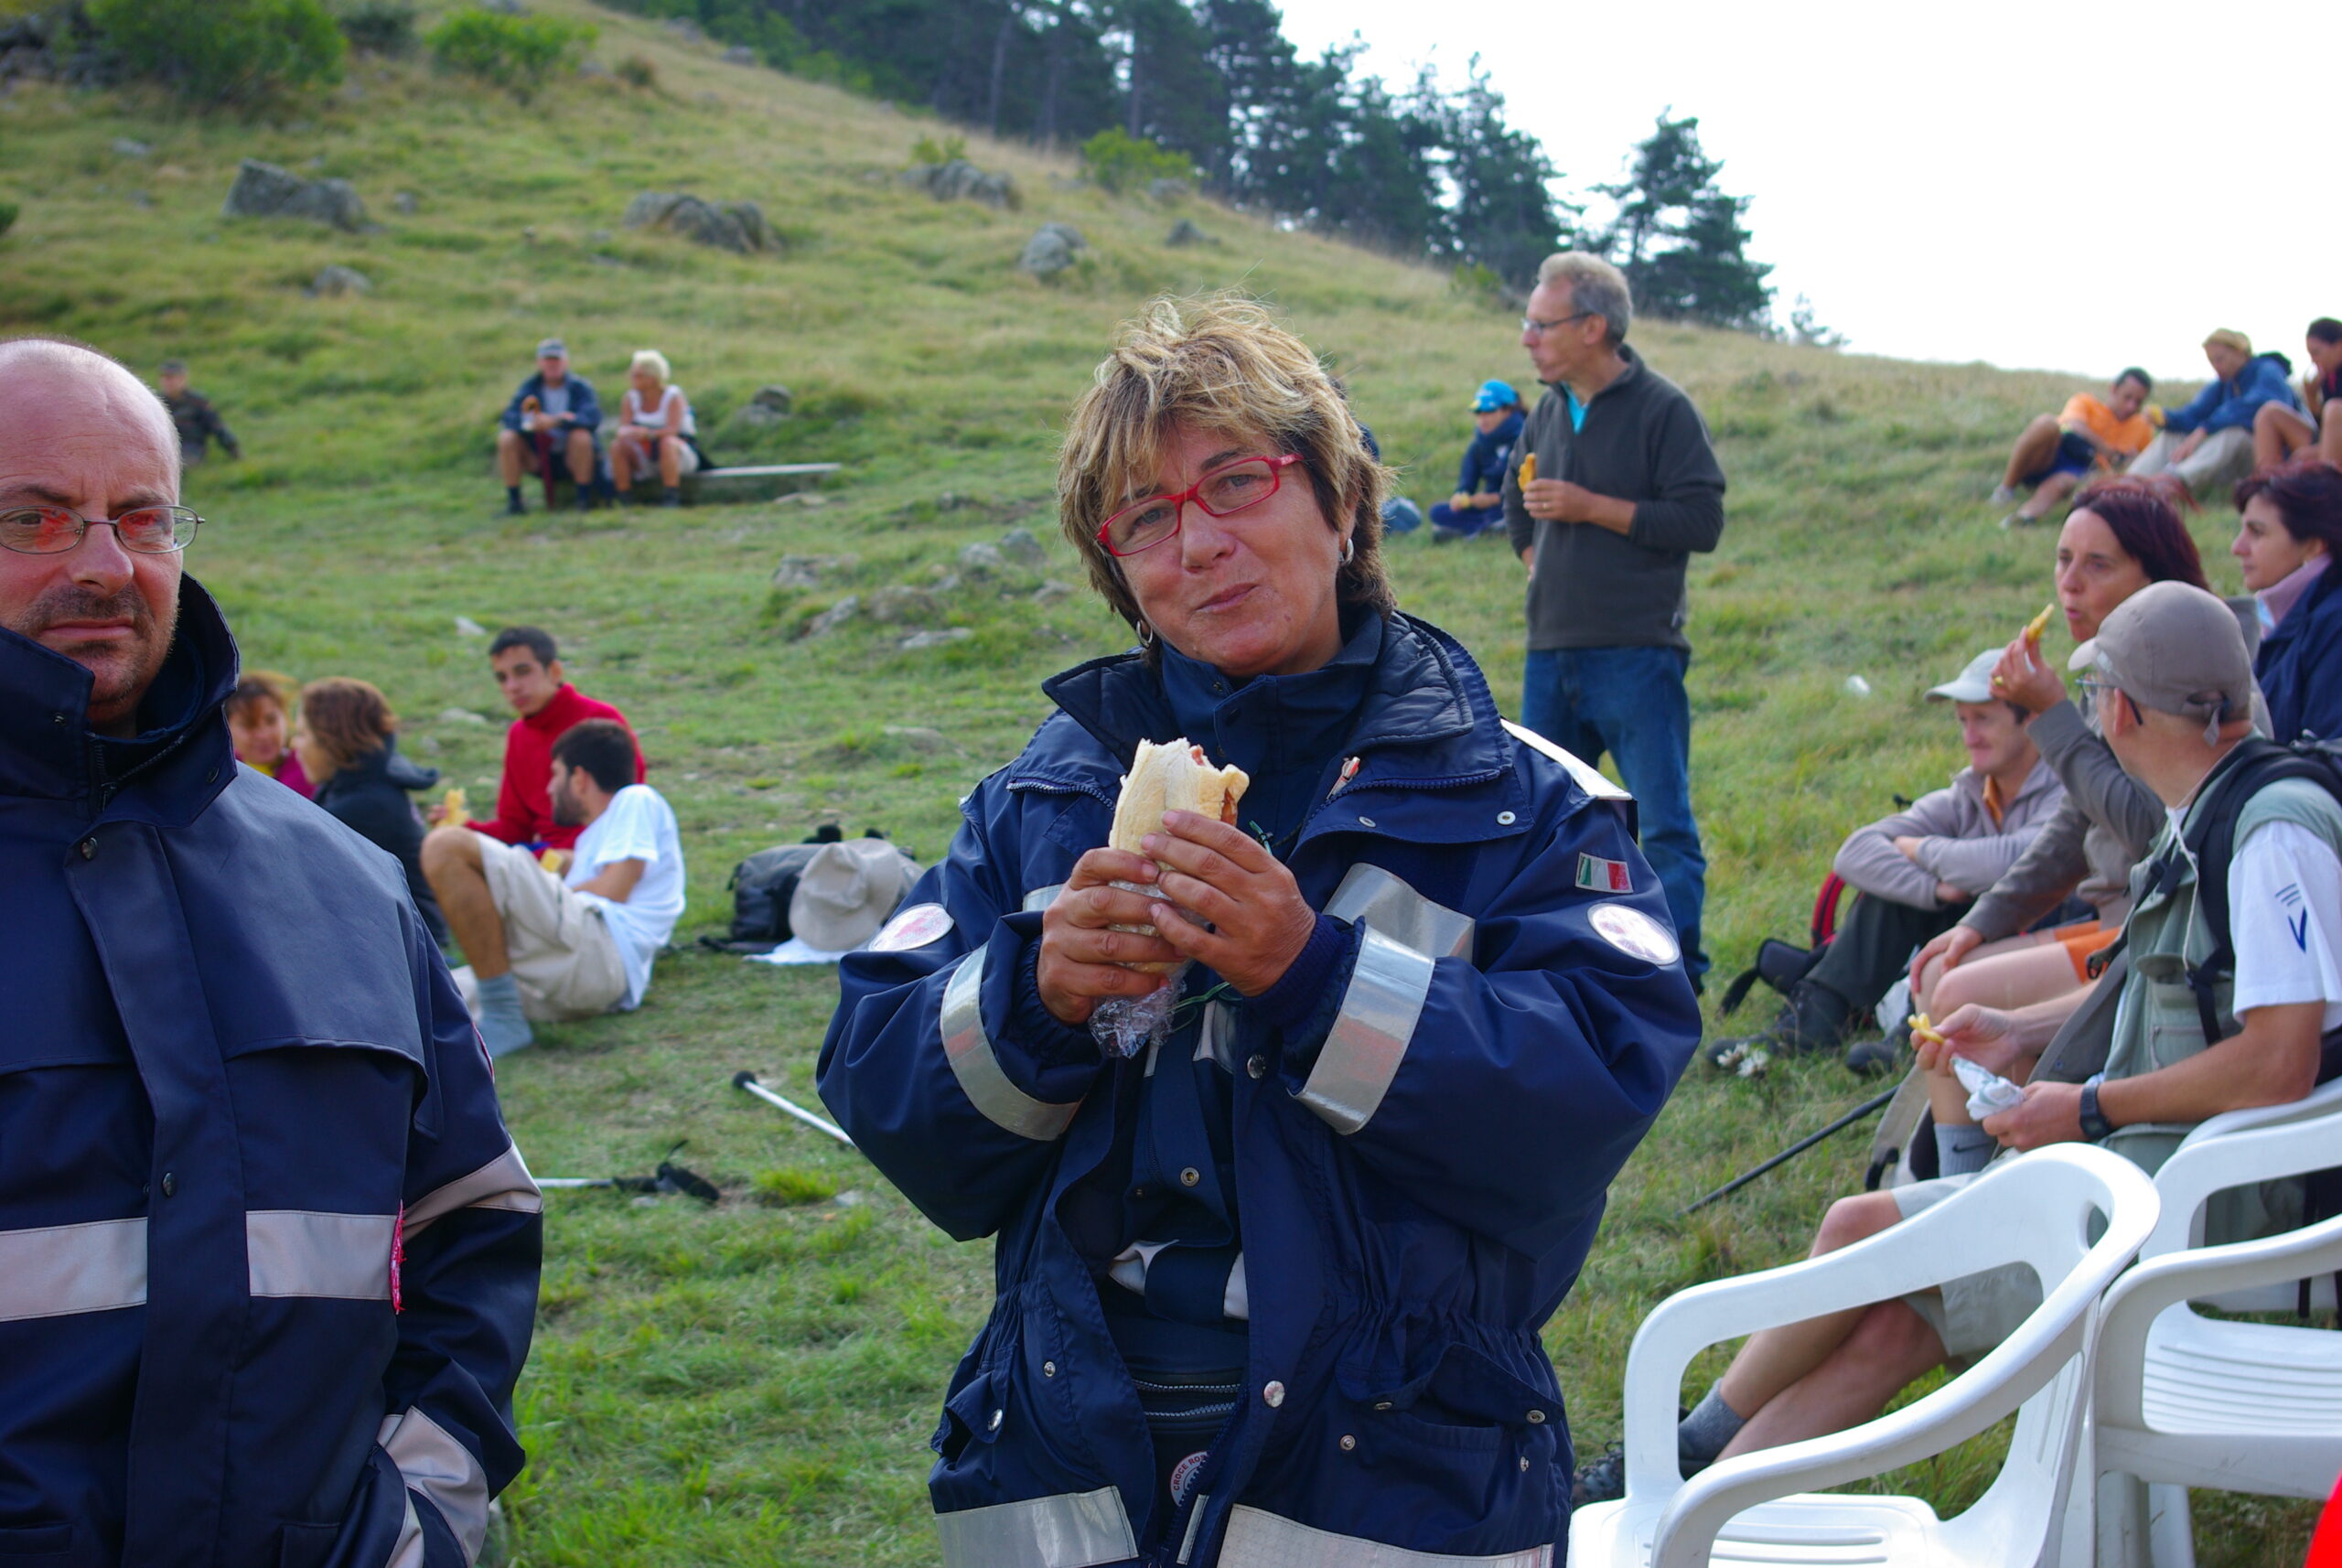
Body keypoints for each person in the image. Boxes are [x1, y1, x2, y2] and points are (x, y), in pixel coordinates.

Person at [819, 296, 1701, 1566]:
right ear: (1118, 571)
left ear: (1341, 503)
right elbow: (883, 1088)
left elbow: (1591, 1099)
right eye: (1145, 520)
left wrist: (1313, 975)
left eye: (1237, 482)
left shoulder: (1526, 803)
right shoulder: (1042, 801)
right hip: (1068, 1465)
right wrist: (1032, 997)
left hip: (1396, 1478)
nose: (1199, 544)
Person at [1589, 582, 2342, 1484]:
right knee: (1897, 1318)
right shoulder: (2220, 810)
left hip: (2198, 1201)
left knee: (1860, 1225)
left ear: (2124, 709)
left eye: (2096, 695)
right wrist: (2014, 1027)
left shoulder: (2268, 839)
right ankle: (1689, 1499)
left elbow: (2278, 1058)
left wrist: (2088, 1107)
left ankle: (1682, 1457)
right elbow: (2172, 994)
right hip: (2160, 1171)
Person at [0, 334, 540, 1563]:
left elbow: (476, 1215)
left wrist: (424, 1519)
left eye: (141, 518)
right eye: (34, 517)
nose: (103, 563)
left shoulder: (344, 883)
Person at [1907, 481, 2214, 1027]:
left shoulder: (2186, 675)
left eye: (2098, 566)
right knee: (1939, 972)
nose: (2069, 585)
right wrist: (1982, 921)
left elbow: (2157, 835)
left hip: (2163, 934)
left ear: (2153, 579)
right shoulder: (2104, 668)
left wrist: (2051, 718)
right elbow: (2077, 823)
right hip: (2114, 920)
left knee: (1959, 995)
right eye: (2063, 560)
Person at [1504, 250, 1727, 985]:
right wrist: (1539, 562)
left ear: (1594, 326)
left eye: (1543, 323)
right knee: (1546, 827)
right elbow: (1516, 492)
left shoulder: (1665, 409)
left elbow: (1701, 518)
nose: (1528, 337)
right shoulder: (1544, 408)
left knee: (1662, 829)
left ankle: (1677, 978)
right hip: (1551, 652)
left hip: (1637, 654)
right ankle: (1562, 968)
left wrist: (1588, 510)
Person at [1706, 648, 2064, 1070]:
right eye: (1962, 721)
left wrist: (1921, 850)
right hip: (1981, 948)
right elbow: (1854, 853)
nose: (1970, 736)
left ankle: (1913, 1035)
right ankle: (1813, 1023)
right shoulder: (1967, 794)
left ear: (2032, 721)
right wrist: (1933, 888)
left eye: (1983, 719)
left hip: (2047, 950)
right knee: (1894, 890)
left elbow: (2018, 861)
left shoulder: (2066, 789)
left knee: (1987, 902)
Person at [423, 718, 684, 1057]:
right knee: (426, 997)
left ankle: (503, 1016)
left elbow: (614, 888)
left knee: (445, 846)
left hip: (600, 954)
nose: (548, 789)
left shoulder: (636, 799)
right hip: (576, 980)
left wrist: (525, 896)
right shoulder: (595, 838)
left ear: (579, 778)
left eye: (555, 774)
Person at [445, 624, 642, 853]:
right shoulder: (518, 734)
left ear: (555, 671)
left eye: (523, 672)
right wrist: (463, 828)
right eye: (502, 678)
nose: (512, 687)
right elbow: (516, 828)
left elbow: (627, 810)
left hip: (594, 854)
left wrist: (544, 860)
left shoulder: (601, 720)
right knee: (445, 845)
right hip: (541, 857)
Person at [296, 675, 449, 942]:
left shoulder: (366, 806)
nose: (293, 746)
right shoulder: (365, 781)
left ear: (331, 739)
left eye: (302, 734)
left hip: (412, 950)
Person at [2233, 457, 2342, 744]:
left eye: (2257, 532)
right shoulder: (2288, 612)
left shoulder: (2334, 624)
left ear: (2313, 545)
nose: (2237, 547)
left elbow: (2326, 755)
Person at [2130, 329, 2304, 499]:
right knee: (2173, 435)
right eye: (2212, 361)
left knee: (2236, 433)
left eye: (2220, 359)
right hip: (2230, 463)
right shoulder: (2225, 383)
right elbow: (2195, 414)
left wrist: (2205, 429)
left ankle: (2173, 483)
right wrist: (2166, 417)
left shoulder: (2268, 371)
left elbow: (2261, 405)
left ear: (2240, 353)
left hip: (2270, 460)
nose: (2216, 366)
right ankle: (2128, 483)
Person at [1989, 367, 2156, 527]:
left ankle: (2024, 517)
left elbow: (2145, 464)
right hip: (2055, 451)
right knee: (2046, 424)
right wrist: (2106, 450)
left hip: (2084, 469)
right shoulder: (2085, 402)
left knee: (2062, 482)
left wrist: (2127, 461)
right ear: (2113, 389)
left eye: (2138, 402)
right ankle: (2005, 489)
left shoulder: (2142, 427)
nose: (2131, 407)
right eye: (2127, 398)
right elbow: (2073, 424)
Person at [497, 336, 604, 516]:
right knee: (507, 438)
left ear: (565, 362)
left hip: (572, 455)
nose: (552, 365)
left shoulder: (580, 388)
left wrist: (559, 421)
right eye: (547, 360)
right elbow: (509, 417)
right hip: (538, 454)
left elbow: (592, 417)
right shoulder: (529, 388)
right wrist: (530, 424)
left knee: (581, 436)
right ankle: (515, 502)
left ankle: (583, 500)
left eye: (556, 360)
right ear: (539, 363)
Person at [1429, 378, 1526, 542]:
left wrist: (1495, 499)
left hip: (1516, 504)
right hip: (1485, 507)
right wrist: (1461, 496)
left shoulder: (1524, 440)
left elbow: (1527, 487)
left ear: (1507, 411)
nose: (1483, 418)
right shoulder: (1479, 446)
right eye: (1479, 413)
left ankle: (1477, 528)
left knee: (1515, 512)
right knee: (1437, 511)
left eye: (1489, 412)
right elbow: (1467, 481)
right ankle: (1487, 528)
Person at [609, 349, 700, 506]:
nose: (632, 379)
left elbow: (674, 430)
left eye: (637, 375)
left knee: (667, 442)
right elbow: (623, 428)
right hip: (645, 454)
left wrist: (649, 434)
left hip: (678, 454)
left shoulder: (673, 396)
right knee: (617, 446)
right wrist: (629, 434)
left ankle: (671, 496)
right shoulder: (630, 398)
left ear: (652, 378)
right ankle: (625, 497)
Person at [2252, 317, 2342, 470]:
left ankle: (2326, 488)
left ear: (2339, 346)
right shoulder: (2329, 377)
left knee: (2334, 409)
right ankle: (2268, 483)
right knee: (2270, 412)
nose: (2313, 360)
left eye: (2316, 353)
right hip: (2331, 446)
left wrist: (2318, 451)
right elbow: (2326, 429)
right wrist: (2311, 397)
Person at [225, 666, 312, 797]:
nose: (263, 735)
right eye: (249, 725)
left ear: (285, 716)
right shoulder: (222, 771)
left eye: (271, 721)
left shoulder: (307, 771)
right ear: (226, 727)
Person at [156, 357, 239, 468]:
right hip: (163, 447)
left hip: (190, 446)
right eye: (164, 378)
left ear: (182, 379)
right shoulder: (156, 403)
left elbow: (217, 426)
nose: (167, 382)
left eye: (171, 378)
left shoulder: (197, 402)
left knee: (179, 467)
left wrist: (233, 450)